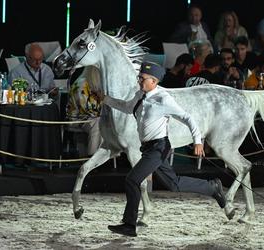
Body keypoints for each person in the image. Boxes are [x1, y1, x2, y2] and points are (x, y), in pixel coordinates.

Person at [102, 61, 226, 237]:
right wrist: (106, 99)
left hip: (159, 148)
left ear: (154, 81)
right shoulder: (140, 95)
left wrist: (198, 141)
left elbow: (187, 117)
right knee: (173, 184)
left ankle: (129, 225)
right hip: (148, 148)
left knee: (132, 180)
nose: (139, 81)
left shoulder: (163, 98)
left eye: (142, 79)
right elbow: (127, 107)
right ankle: (212, 188)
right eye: (139, 77)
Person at [66, 65, 102, 156]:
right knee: (97, 123)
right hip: (78, 118)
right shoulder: (81, 85)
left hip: (92, 116)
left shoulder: (97, 84)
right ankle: (92, 157)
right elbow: (87, 109)